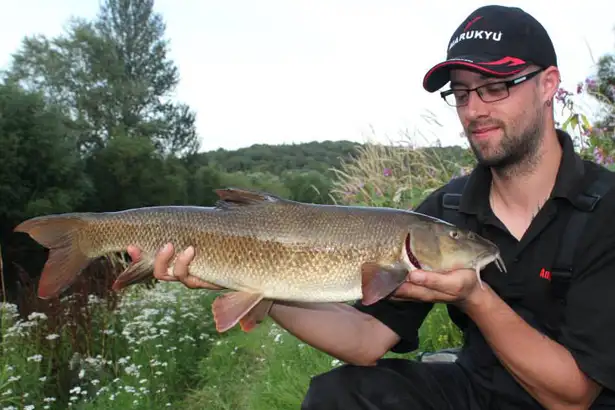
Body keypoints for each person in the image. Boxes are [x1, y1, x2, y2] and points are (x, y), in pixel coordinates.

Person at [127, 5, 615, 409]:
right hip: (475, 392)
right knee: (337, 396)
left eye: (495, 88)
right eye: (462, 94)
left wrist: (475, 298)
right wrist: (256, 284)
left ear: (549, 84)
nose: (475, 110)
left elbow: (573, 396)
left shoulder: (605, 209)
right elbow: (364, 340)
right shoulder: (445, 209)